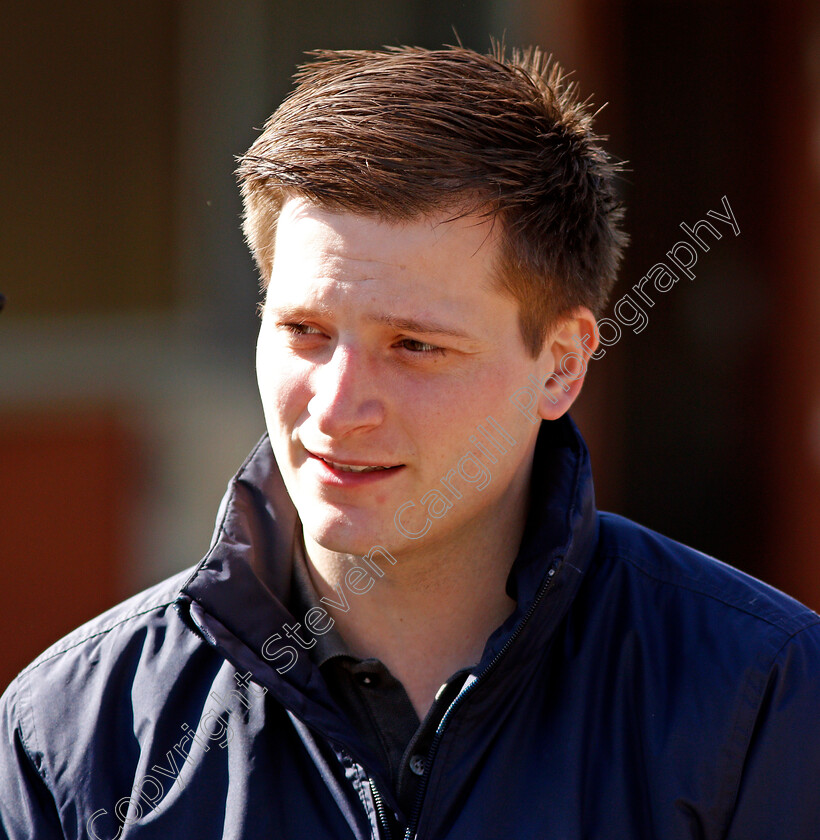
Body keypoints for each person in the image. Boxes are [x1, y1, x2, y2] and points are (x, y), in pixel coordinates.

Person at [1, 44, 818, 840]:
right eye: (304, 331)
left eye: (415, 346)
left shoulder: (761, 699)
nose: (337, 404)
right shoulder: (73, 732)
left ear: (561, 365)